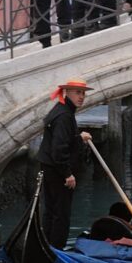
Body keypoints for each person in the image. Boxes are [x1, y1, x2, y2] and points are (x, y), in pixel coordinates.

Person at [38, 78, 95, 248]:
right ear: (67, 92)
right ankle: (56, 250)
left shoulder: (61, 110)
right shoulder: (64, 116)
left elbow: (63, 139)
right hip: (57, 170)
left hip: (47, 166)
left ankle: (47, 247)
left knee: (51, 211)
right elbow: (59, 148)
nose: (81, 97)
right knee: (61, 214)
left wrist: (78, 138)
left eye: (83, 93)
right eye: (78, 93)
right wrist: (68, 174)